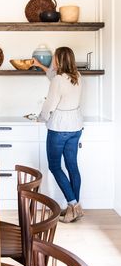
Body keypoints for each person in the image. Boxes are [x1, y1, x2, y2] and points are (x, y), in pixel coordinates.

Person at [33, 46, 84, 223]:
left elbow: (50, 104)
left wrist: (40, 117)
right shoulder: (77, 77)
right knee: (72, 166)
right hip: (76, 127)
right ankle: (74, 208)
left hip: (60, 128)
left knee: (54, 166)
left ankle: (73, 205)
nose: (52, 60)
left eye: (54, 57)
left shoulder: (58, 81)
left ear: (59, 60)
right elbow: (53, 76)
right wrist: (40, 65)